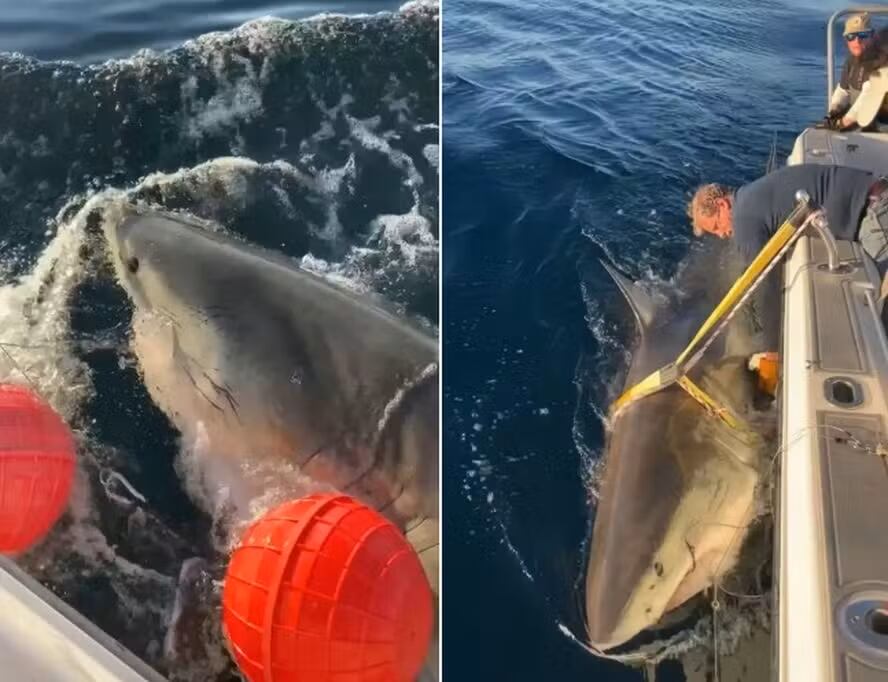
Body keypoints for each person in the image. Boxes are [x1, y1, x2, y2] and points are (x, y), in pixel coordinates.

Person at [688, 164, 888, 344]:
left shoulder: (743, 218)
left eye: (716, 227)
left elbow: (763, 282)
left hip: (875, 211)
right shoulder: (751, 196)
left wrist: (771, 346)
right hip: (872, 196)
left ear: (722, 206)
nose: (722, 235)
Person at [824, 13, 875, 128]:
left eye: (863, 35)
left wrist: (842, 123)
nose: (857, 41)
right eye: (851, 36)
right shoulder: (851, 61)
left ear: (872, 36)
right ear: (846, 40)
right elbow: (843, 90)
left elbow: (870, 96)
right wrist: (834, 111)